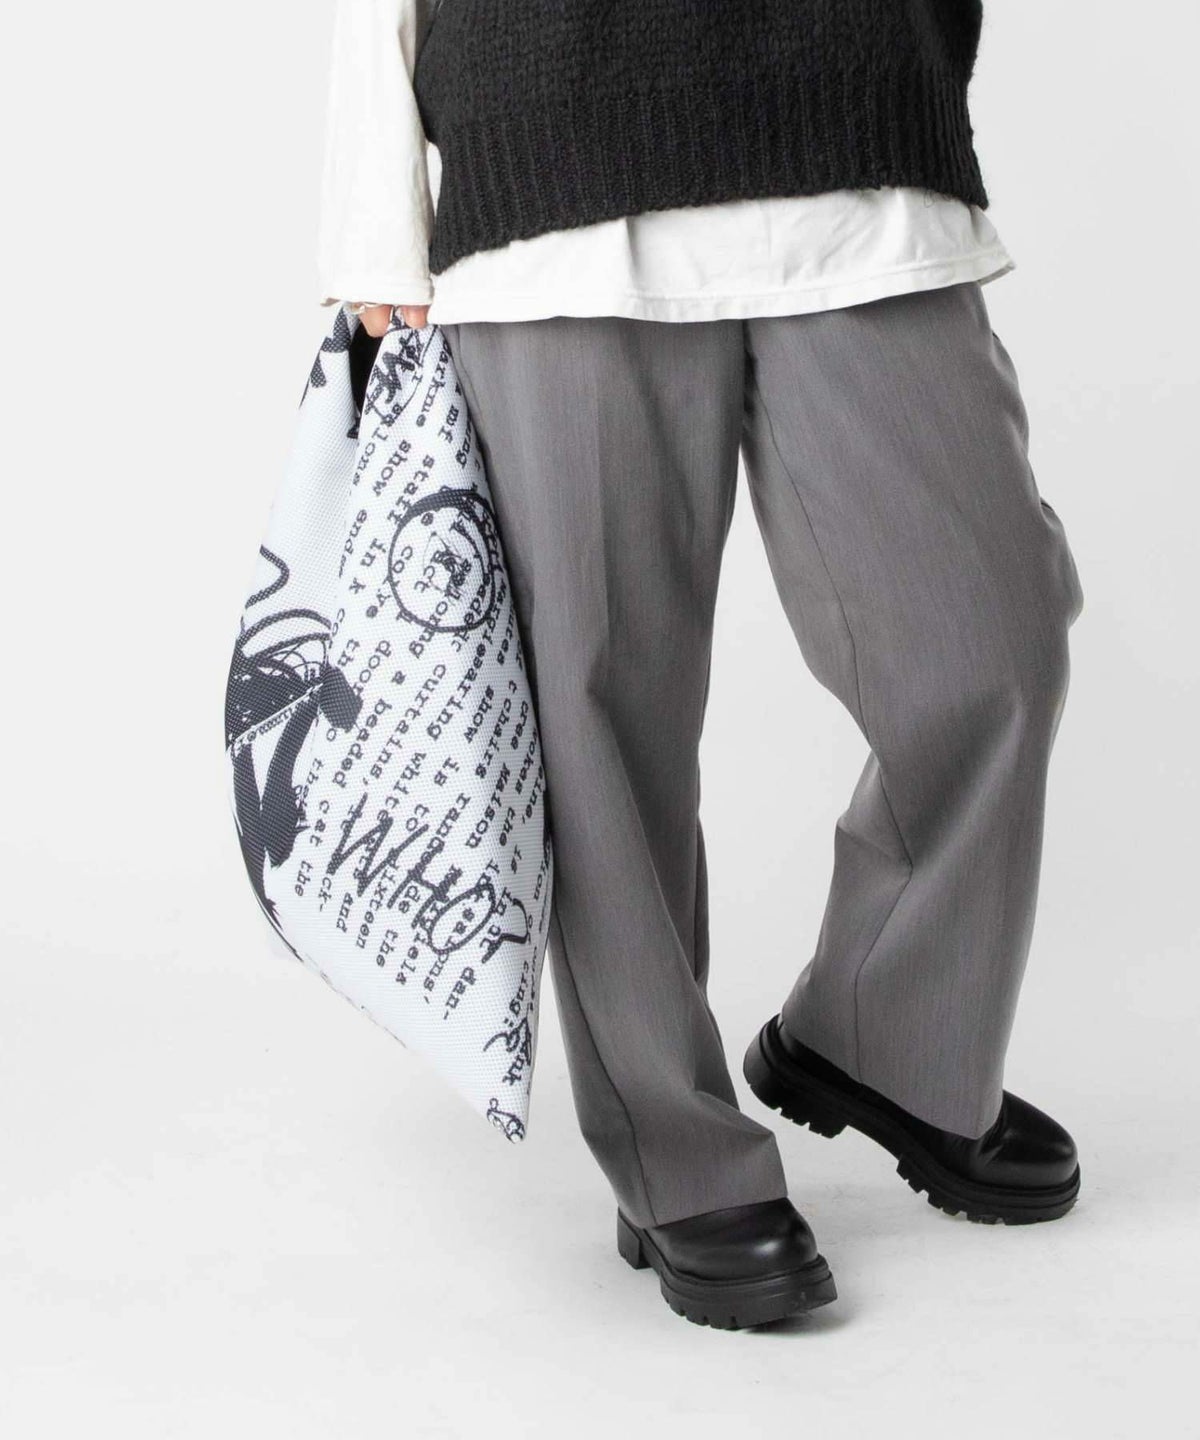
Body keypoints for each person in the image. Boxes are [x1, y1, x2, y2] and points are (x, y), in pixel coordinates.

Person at [317, 0, 1085, 1330]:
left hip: (855, 136)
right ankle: (676, 1155)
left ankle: (888, 1037)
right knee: (599, 710)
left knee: (992, 636)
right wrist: (373, 215)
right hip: (554, 166)